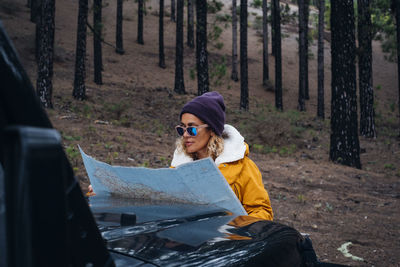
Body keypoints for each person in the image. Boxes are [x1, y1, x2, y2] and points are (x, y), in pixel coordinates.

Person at [171, 92, 273, 220]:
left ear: (212, 130)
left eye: (192, 129)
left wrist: (235, 228)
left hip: (230, 237)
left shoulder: (244, 167)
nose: (185, 135)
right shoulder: (176, 168)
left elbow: (262, 211)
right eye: (182, 129)